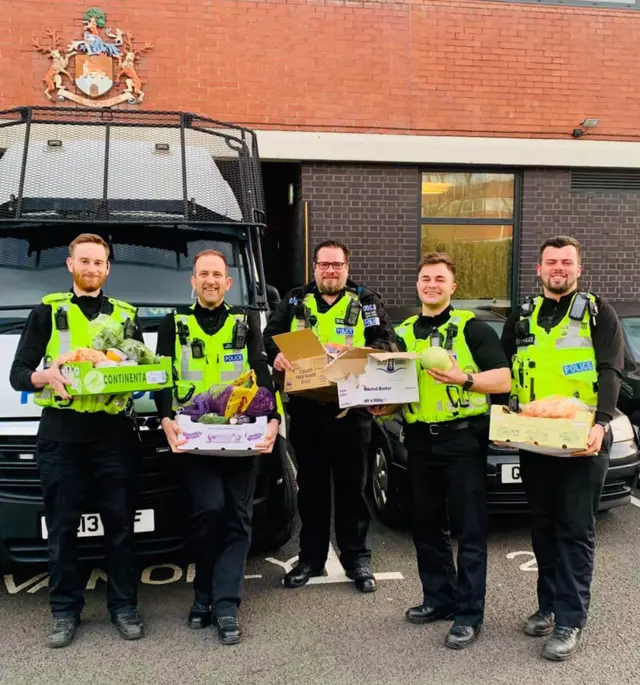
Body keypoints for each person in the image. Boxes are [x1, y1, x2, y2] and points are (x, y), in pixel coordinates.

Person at [9, 233, 145, 648]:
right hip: (62, 437)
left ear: (107, 269)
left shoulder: (125, 315)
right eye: (83, 261)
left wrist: (134, 381)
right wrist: (44, 376)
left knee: (120, 528)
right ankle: (64, 612)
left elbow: (140, 372)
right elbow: (18, 373)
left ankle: (123, 607)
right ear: (70, 265)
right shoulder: (47, 312)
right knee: (63, 530)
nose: (91, 269)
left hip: (113, 437)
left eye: (98, 263)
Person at [500, 235, 624, 661]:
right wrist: (503, 420)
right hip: (535, 440)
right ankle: (548, 605)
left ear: (578, 268)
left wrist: (602, 423)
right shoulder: (521, 315)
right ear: (538, 269)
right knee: (543, 526)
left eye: (566, 262)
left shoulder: (596, 313)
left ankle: (570, 619)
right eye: (551, 262)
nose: (559, 268)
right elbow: (504, 375)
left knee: (574, 530)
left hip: (581, 441)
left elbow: (611, 371)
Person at [383, 251, 511, 649]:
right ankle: (439, 599)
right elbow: (392, 392)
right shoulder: (400, 333)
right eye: (426, 278)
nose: (432, 284)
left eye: (440, 279)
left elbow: (504, 379)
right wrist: (378, 406)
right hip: (419, 439)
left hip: (462, 440)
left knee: (469, 530)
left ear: (452, 287)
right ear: (417, 284)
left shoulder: (471, 327)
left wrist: (464, 378)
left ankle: (469, 614)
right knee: (426, 525)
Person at [155, 249, 280, 646]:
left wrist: (274, 419)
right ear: (193, 281)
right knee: (209, 512)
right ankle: (203, 593)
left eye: (218, 275)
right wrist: (165, 419)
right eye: (203, 274)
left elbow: (260, 371)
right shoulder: (173, 324)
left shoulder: (245, 323)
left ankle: (225, 605)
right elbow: (161, 377)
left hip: (240, 436)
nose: (210, 281)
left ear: (228, 283)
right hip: (196, 437)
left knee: (238, 517)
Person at [262, 240, 395, 592]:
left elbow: (384, 342)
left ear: (347, 268)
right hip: (307, 411)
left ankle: (356, 558)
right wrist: (276, 355)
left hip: (351, 413)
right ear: (315, 267)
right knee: (312, 490)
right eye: (324, 265)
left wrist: (354, 352)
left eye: (337, 265)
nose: (330, 271)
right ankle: (311, 558)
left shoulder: (366, 301)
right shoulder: (294, 300)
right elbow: (270, 337)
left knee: (354, 489)